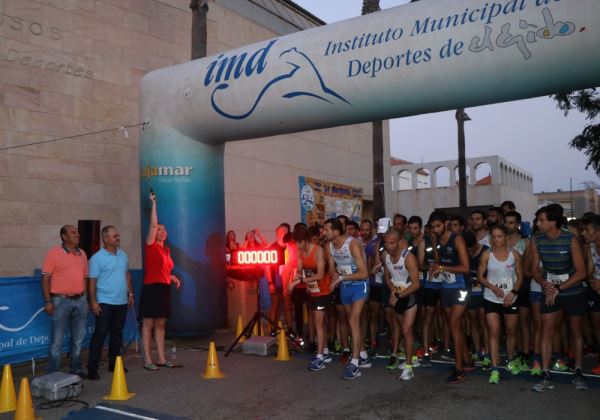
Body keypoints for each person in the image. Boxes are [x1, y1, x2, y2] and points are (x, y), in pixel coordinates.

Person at [530, 204, 587, 391]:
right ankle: (546, 374)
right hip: (550, 290)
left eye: (542, 220)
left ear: (553, 222)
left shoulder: (570, 239)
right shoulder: (536, 240)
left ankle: (578, 371)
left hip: (572, 290)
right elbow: (534, 269)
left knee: (575, 331)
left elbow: (581, 272)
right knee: (546, 331)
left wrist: (559, 289)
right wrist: (544, 284)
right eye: (538, 220)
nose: (538, 223)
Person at [428, 210, 472, 383]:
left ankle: (459, 368)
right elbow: (440, 262)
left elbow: (466, 268)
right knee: (454, 326)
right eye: (433, 227)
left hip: (461, 286)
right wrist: (436, 266)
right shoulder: (438, 239)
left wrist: (442, 269)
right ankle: (467, 360)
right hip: (446, 285)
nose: (436, 229)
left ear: (445, 223)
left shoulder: (457, 239)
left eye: (438, 226)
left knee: (454, 324)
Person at [140, 192, 182, 371]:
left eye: (165, 230)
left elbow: (163, 270)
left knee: (161, 324)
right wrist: (154, 203)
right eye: (159, 229)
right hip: (151, 288)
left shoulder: (166, 250)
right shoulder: (150, 245)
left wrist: (171, 277)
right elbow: (152, 224)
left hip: (164, 288)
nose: (162, 231)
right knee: (148, 324)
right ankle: (148, 359)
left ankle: (162, 358)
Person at [87, 226, 134, 380]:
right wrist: (93, 301)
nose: (118, 238)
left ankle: (114, 364)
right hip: (104, 301)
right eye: (115, 236)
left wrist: (130, 293)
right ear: (105, 239)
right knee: (100, 334)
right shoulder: (96, 258)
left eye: (118, 235)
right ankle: (92, 368)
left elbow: (127, 275)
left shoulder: (123, 255)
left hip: (121, 301)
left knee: (117, 334)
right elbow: (92, 281)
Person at [325, 218, 371, 379]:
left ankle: (355, 363)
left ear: (337, 231)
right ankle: (363, 354)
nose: (325, 232)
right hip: (345, 287)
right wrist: (335, 276)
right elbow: (331, 269)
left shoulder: (353, 244)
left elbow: (364, 273)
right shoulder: (329, 246)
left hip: (359, 285)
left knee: (353, 321)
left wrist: (341, 278)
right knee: (353, 322)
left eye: (328, 229)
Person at [41, 225, 89, 377]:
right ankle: (52, 373)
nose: (77, 234)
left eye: (77, 232)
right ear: (64, 236)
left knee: (78, 339)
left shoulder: (82, 254)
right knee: (57, 341)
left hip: (80, 300)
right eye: (73, 232)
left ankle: (76, 369)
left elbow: (85, 278)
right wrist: (48, 302)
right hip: (61, 301)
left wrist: (86, 298)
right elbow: (45, 278)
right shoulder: (53, 253)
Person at [477, 225, 523, 384]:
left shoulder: (514, 255)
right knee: (494, 331)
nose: (497, 240)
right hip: (491, 297)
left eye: (500, 236)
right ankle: (495, 368)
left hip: (510, 299)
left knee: (511, 331)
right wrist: (492, 287)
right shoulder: (486, 254)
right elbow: (480, 276)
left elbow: (520, 277)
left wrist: (513, 293)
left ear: (506, 238)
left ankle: (510, 360)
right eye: (494, 237)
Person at [290, 227, 332, 371]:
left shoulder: (318, 251)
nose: (297, 245)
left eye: (299, 242)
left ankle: (320, 357)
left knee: (319, 323)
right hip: (312, 291)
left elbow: (320, 275)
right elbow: (300, 270)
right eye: (295, 242)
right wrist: (296, 278)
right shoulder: (300, 251)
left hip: (324, 290)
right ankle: (325, 351)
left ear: (307, 241)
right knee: (318, 322)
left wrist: (300, 281)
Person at [382, 229, 421, 381]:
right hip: (396, 296)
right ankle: (412, 357)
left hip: (409, 295)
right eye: (386, 242)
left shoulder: (408, 258)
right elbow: (387, 276)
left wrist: (398, 295)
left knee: (406, 330)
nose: (388, 246)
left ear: (399, 242)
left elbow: (416, 284)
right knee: (401, 330)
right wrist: (392, 291)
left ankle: (409, 367)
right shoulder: (385, 255)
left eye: (391, 243)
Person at [463, 230, 491, 370]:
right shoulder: (463, 251)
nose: (468, 250)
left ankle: (487, 354)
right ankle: (478, 350)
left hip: (484, 290)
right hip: (470, 291)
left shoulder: (485, 250)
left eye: (470, 248)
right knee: (472, 321)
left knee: (484, 322)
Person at [580, 214, 600, 374]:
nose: (583, 233)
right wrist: (593, 282)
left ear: (597, 231)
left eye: (587, 230)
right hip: (595, 289)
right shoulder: (591, 247)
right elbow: (589, 270)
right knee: (596, 324)